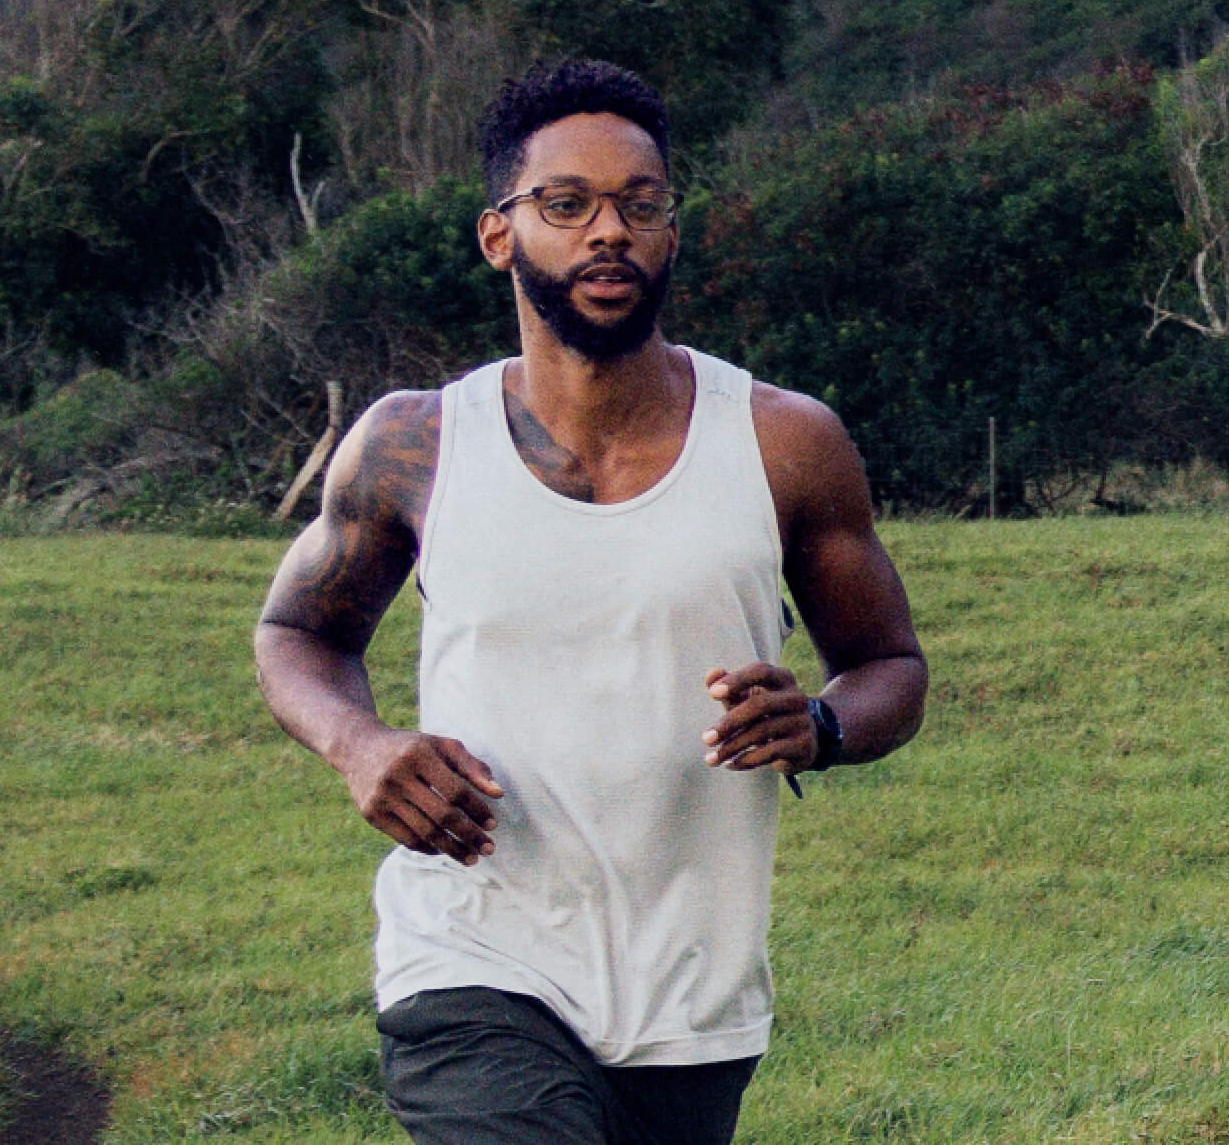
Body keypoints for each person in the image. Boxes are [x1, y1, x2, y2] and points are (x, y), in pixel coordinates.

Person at [252, 58, 928, 1144]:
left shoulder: (784, 442)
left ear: (671, 231)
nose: (609, 230)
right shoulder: (415, 443)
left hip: (692, 996)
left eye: (640, 204)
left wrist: (819, 724)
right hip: (471, 958)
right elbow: (298, 633)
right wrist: (360, 745)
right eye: (567, 204)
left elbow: (890, 665)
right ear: (500, 234)